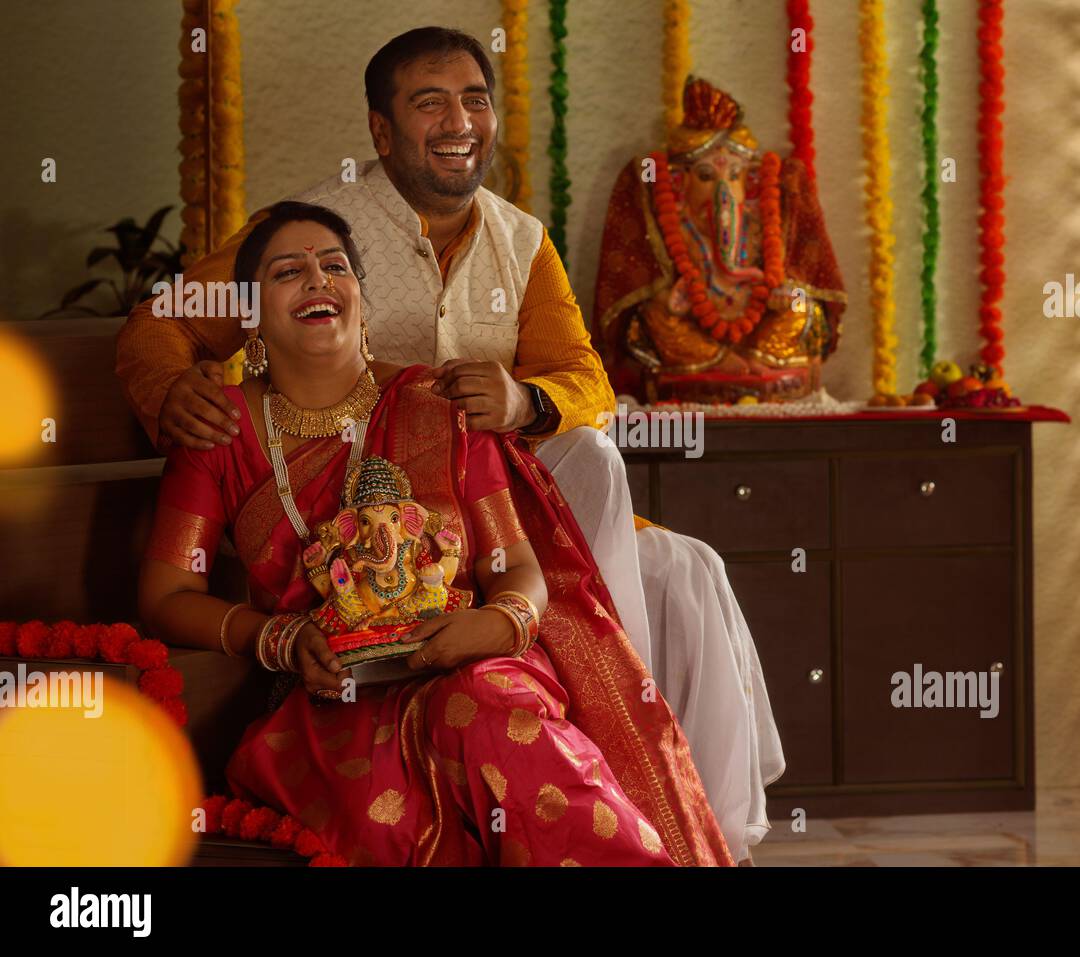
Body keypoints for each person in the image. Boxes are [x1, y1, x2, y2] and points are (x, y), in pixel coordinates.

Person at [115, 26, 783, 861]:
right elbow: (162, 322)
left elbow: (587, 380)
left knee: (686, 568)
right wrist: (172, 390)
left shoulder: (522, 241)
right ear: (382, 131)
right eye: (428, 102)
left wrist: (525, 400)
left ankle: (681, 808)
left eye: (473, 100)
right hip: (356, 577)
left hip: (499, 503)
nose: (457, 120)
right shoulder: (314, 231)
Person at [138, 202, 731, 866]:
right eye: (288, 272)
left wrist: (503, 621)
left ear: (361, 299)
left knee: (486, 707)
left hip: (472, 657)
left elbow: (516, 566)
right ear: (250, 311)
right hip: (336, 695)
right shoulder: (219, 431)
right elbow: (166, 592)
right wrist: (276, 637)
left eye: (335, 266)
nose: (317, 280)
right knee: (393, 808)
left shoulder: (438, 405)